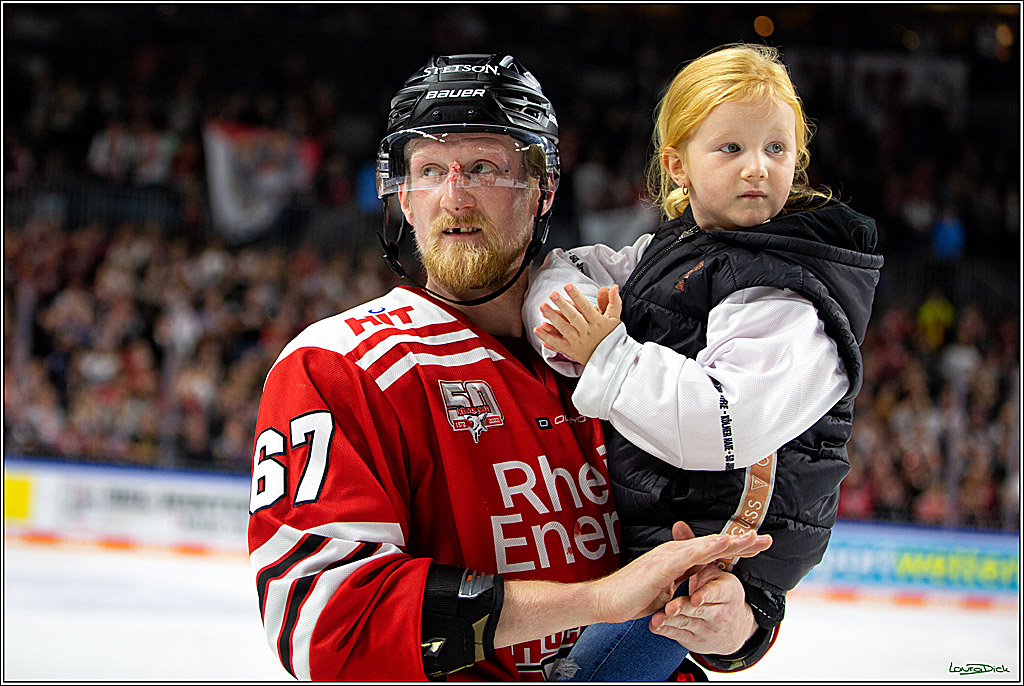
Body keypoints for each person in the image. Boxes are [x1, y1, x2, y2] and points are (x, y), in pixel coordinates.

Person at [247, 53, 773, 682]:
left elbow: (735, 544)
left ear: (543, 189)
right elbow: (327, 627)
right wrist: (597, 601)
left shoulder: (632, 348)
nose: (454, 195)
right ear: (405, 198)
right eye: (430, 170)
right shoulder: (339, 368)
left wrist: (735, 620)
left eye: (485, 169)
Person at [523, 43, 884, 680]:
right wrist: (566, 328)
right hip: (662, 539)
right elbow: (566, 271)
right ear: (676, 164)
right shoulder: (679, 249)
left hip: (708, 554)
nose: (758, 168)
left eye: (777, 149)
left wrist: (602, 354)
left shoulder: (787, 285)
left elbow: (721, 422)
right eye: (731, 148)